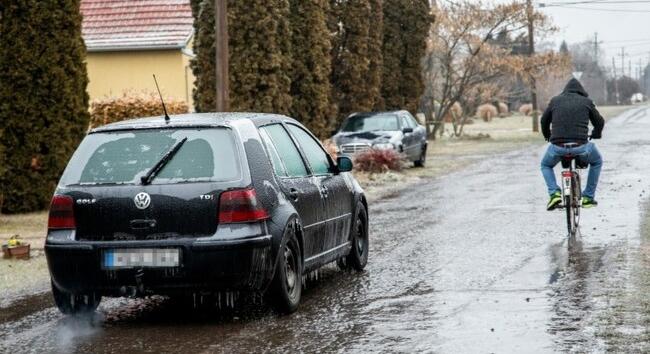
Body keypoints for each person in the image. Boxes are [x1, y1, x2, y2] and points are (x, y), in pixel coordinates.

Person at [540, 78, 605, 211]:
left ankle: (554, 194)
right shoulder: (587, 102)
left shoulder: (555, 101)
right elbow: (599, 121)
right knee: (597, 161)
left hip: (558, 147)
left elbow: (543, 120)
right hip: (580, 146)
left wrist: (547, 135)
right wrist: (596, 133)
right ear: (581, 91)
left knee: (545, 165)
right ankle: (588, 197)